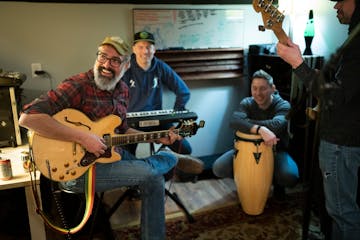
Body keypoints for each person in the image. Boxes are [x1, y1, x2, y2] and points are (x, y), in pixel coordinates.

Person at [19, 36, 182, 240]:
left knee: (155, 179)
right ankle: (169, 158)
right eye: (103, 56)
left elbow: (121, 132)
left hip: (108, 157)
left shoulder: (123, 90)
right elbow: (27, 118)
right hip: (76, 171)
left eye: (115, 60)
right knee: (157, 167)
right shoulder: (78, 84)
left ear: (126, 65)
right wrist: (83, 138)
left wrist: (155, 138)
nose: (106, 64)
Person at [276, 0, 360, 239]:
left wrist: (298, 64)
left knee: (343, 212)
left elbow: (336, 94)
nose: (335, 7)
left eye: (340, 1)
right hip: (346, 139)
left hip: (342, 143)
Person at [122, 30, 203, 176]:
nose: (145, 51)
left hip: (156, 120)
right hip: (131, 123)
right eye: (140, 47)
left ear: (154, 49)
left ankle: (160, 170)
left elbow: (183, 91)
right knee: (124, 155)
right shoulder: (126, 67)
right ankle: (134, 185)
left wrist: (174, 117)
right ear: (134, 49)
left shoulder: (160, 67)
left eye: (148, 47)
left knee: (184, 148)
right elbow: (114, 96)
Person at [212, 69, 299, 199]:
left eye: (263, 88)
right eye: (254, 88)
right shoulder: (247, 102)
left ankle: (278, 185)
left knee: (289, 177)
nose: (258, 93)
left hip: (275, 152)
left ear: (272, 88)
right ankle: (245, 182)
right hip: (245, 150)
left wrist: (247, 123)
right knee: (219, 168)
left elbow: (276, 126)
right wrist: (260, 129)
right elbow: (234, 121)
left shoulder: (283, 105)